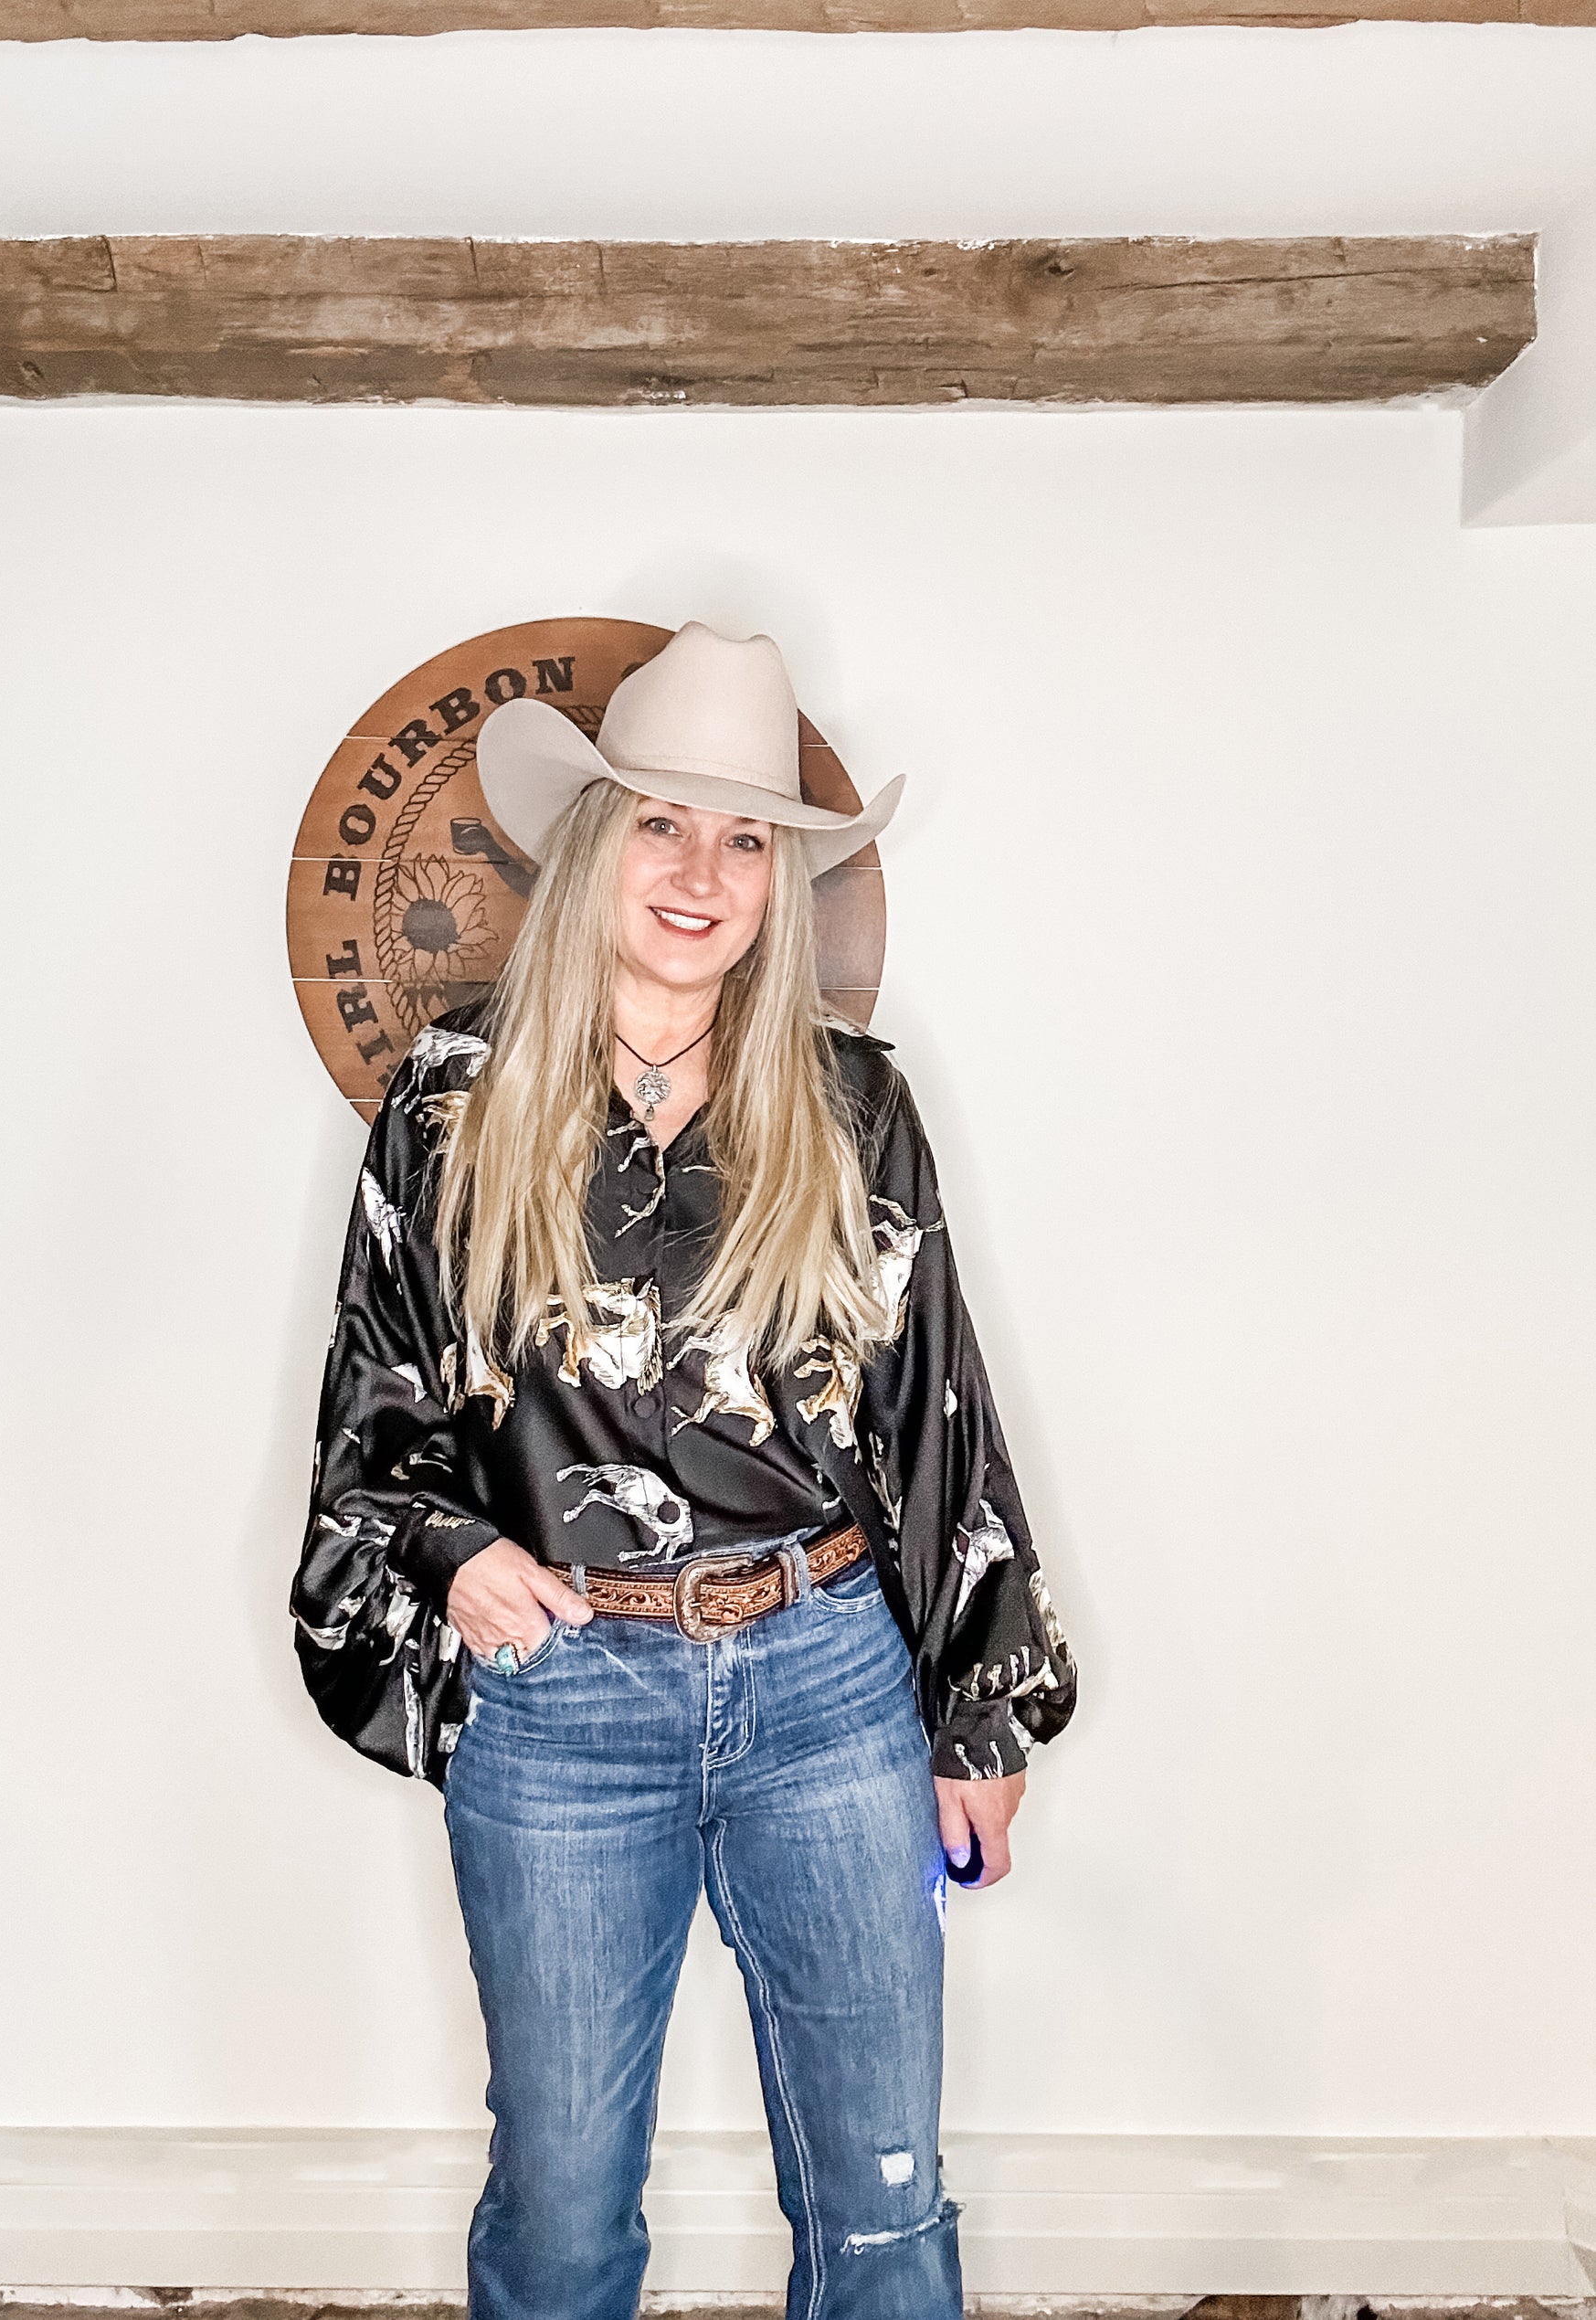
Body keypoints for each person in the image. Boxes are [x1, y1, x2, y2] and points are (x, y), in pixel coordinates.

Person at [289, 620, 1078, 2320]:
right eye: (662, 820)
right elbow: (374, 1415)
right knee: (564, 2208)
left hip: (829, 1683)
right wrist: (442, 1551)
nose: (702, 871)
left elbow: (936, 1407)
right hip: (565, 1702)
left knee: (882, 2202)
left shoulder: (852, 1103)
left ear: (781, 880)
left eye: (745, 837)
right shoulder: (447, 1107)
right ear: (593, 840)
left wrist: (982, 1708)